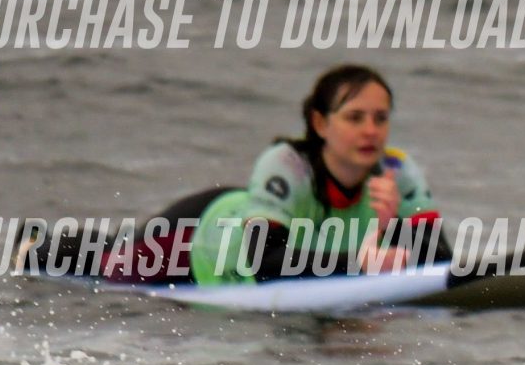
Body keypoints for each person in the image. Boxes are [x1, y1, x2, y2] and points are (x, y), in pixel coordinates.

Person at [166, 66, 440, 286]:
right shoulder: (286, 164)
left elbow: (439, 262)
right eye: (354, 118)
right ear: (320, 123)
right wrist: (359, 264)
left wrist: (395, 226)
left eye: (380, 118)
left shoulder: (397, 171)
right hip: (188, 238)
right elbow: (264, 262)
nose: (371, 131)